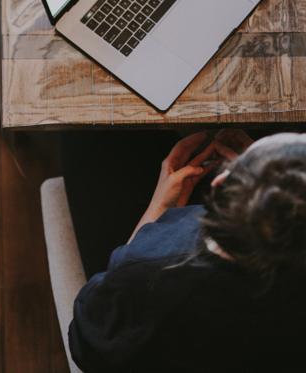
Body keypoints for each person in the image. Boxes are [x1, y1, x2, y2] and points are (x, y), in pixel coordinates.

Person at [65, 129, 306, 373]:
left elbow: (85, 344)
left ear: (219, 183)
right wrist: (273, 189)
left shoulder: (149, 265)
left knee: (83, 143)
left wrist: (158, 207)